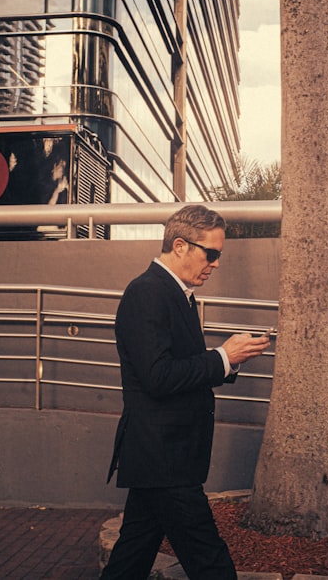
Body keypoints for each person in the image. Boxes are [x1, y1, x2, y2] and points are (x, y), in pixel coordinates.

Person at [101, 204, 271, 580]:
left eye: (219, 255)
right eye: (210, 253)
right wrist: (222, 357)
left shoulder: (177, 295)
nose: (215, 263)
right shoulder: (147, 292)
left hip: (164, 456)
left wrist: (231, 360)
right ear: (180, 246)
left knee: (132, 556)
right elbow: (157, 377)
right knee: (210, 562)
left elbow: (185, 367)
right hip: (164, 457)